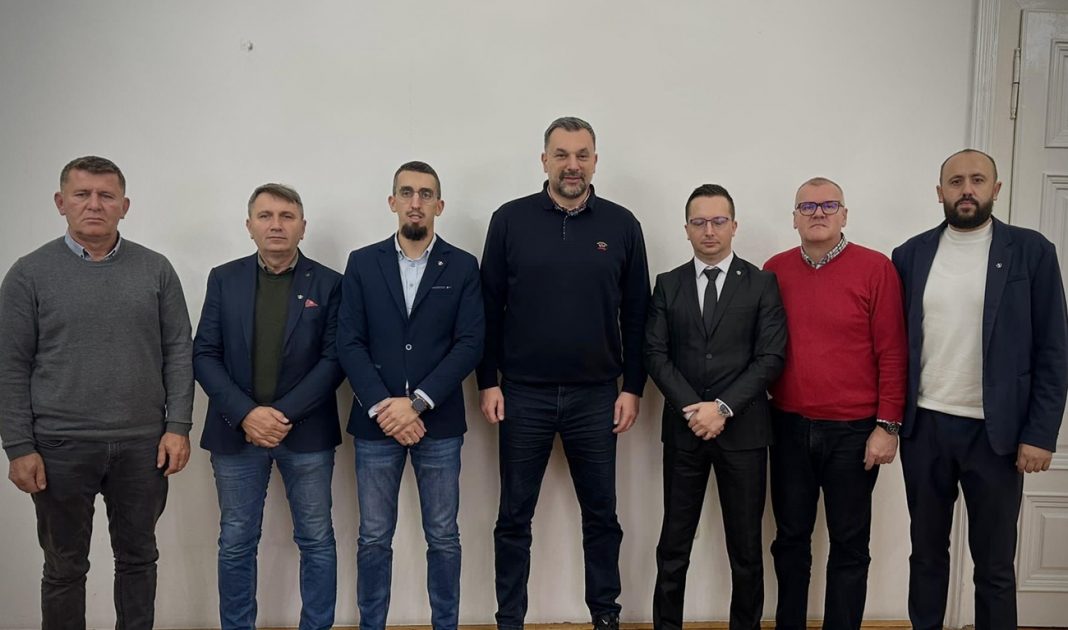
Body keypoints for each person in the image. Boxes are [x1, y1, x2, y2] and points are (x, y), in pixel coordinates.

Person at [0, 155, 194, 630]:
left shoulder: (156, 269)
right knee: (64, 568)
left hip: (143, 445)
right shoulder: (29, 274)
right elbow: (10, 366)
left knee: (138, 559)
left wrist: (177, 427)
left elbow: (178, 352)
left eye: (106, 196)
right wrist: (18, 446)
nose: (94, 205)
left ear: (124, 206)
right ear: (60, 202)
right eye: (82, 194)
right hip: (60, 446)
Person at [478, 116, 650, 630]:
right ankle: (510, 619)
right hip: (522, 394)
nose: (571, 165)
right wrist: (488, 380)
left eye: (581, 155)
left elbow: (637, 313)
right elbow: (488, 307)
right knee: (513, 518)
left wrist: (633, 386)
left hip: (596, 396)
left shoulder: (622, 225)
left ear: (595, 161)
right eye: (561, 155)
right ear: (544, 160)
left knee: (602, 516)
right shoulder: (509, 220)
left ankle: (606, 616)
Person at [892, 149, 1068, 630]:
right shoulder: (909, 255)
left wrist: (1040, 433)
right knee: (926, 555)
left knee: (994, 566)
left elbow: (1054, 350)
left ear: (996, 188)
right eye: (955, 181)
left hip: (997, 435)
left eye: (977, 179)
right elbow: (895, 344)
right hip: (925, 427)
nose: (966, 189)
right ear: (940, 192)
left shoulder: (1031, 251)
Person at [337, 161, 483, 630]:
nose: (415, 202)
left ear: (440, 205)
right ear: (392, 202)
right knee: (373, 537)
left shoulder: (463, 265)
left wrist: (417, 403)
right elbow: (348, 341)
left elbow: (470, 343)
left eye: (425, 194)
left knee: (443, 536)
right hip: (376, 424)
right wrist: (385, 407)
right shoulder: (362, 262)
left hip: (437, 423)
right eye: (406, 193)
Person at [193, 183, 344, 630]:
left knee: (316, 539)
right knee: (236, 542)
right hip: (235, 433)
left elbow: (335, 359)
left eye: (286, 216)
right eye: (265, 216)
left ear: (303, 227)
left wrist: (281, 415)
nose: (276, 225)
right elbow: (204, 354)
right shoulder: (224, 278)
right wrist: (247, 414)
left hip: (307, 434)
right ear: (249, 226)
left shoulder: (330, 283)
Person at [763, 177, 906, 630]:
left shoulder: (876, 268)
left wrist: (888, 426)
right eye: (807, 207)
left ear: (844, 214)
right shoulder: (774, 270)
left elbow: (893, 351)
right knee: (790, 540)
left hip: (854, 432)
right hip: (788, 426)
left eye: (829, 205)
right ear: (794, 218)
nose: (818, 213)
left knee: (849, 545)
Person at [645, 184, 786, 630]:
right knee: (673, 545)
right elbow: (655, 354)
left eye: (718, 221)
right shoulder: (668, 284)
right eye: (699, 222)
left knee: (745, 549)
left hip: (744, 435)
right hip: (684, 432)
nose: (709, 230)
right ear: (686, 228)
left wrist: (722, 408)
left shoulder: (761, 283)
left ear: (734, 226)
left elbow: (771, 357)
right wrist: (694, 408)